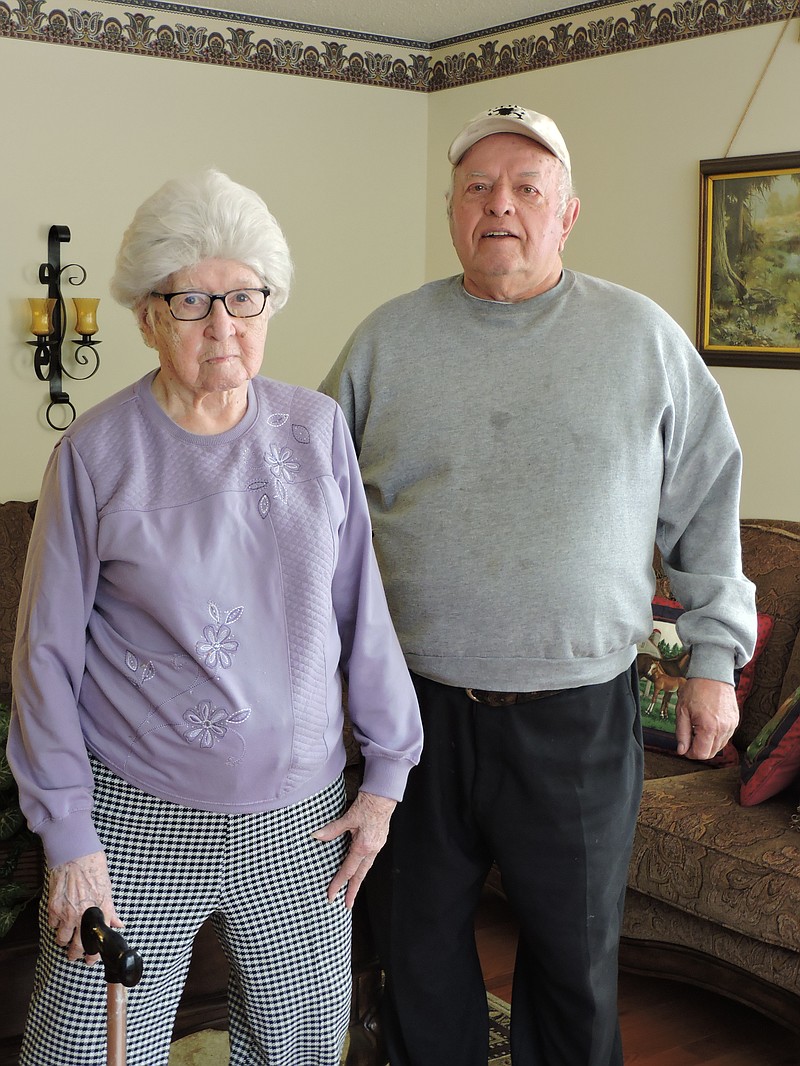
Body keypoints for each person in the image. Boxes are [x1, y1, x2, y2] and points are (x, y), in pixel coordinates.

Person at [320, 105, 757, 1066]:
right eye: (477, 187)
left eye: (527, 188)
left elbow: (706, 505)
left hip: (578, 717)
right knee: (416, 953)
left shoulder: (642, 339)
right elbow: (318, 525)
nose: (500, 207)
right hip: (411, 719)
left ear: (567, 214)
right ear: (450, 213)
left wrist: (716, 659)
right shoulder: (385, 344)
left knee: (573, 968)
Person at [9, 168, 422, 1066]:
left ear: (269, 302)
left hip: (301, 815)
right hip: (135, 814)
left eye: (244, 297)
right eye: (192, 301)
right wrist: (69, 843)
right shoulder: (96, 455)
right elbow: (45, 656)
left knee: (303, 1048)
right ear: (146, 316)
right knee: (84, 1048)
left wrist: (386, 779)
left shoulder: (317, 432)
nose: (223, 326)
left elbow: (363, 608)